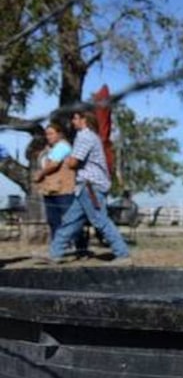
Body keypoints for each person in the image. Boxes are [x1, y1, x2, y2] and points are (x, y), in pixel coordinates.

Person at [47, 110, 130, 264]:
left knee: (100, 220)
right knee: (70, 221)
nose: (73, 121)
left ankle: (123, 254)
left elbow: (73, 162)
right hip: (85, 187)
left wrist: (63, 160)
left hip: (90, 186)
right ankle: (54, 254)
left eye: (75, 118)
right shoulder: (89, 136)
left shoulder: (84, 136)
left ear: (84, 119)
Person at [33, 121, 89, 254]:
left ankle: (80, 247)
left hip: (63, 189)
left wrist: (40, 174)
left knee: (70, 220)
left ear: (60, 134)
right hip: (50, 190)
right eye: (47, 134)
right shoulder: (49, 149)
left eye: (51, 133)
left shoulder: (62, 147)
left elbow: (53, 164)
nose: (48, 136)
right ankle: (58, 249)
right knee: (53, 221)